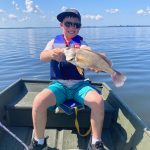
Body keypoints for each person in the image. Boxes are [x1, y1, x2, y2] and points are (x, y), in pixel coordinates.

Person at [28, 8, 105, 150]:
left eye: (76, 25)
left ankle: (96, 141)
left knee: (98, 101)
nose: (72, 27)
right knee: (38, 102)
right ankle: (39, 140)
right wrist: (51, 53)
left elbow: (87, 50)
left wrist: (94, 62)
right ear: (61, 25)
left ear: (79, 27)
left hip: (79, 86)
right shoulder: (53, 41)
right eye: (68, 23)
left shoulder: (81, 43)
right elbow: (42, 56)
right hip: (59, 85)